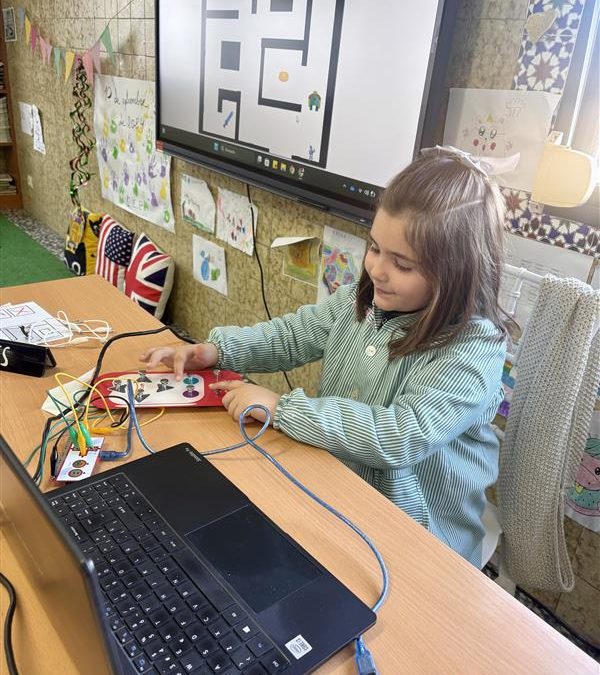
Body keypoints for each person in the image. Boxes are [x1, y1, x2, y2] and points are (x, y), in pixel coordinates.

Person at [140, 146, 508, 568]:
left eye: (402, 265)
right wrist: (217, 350)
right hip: (338, 488)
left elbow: (399, 435)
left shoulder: (473, 350)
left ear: (458, 273)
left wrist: (282, 409)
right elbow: (292, 335)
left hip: (420, 538)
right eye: (374, 248)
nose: (377, 271)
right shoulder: (365, 299)